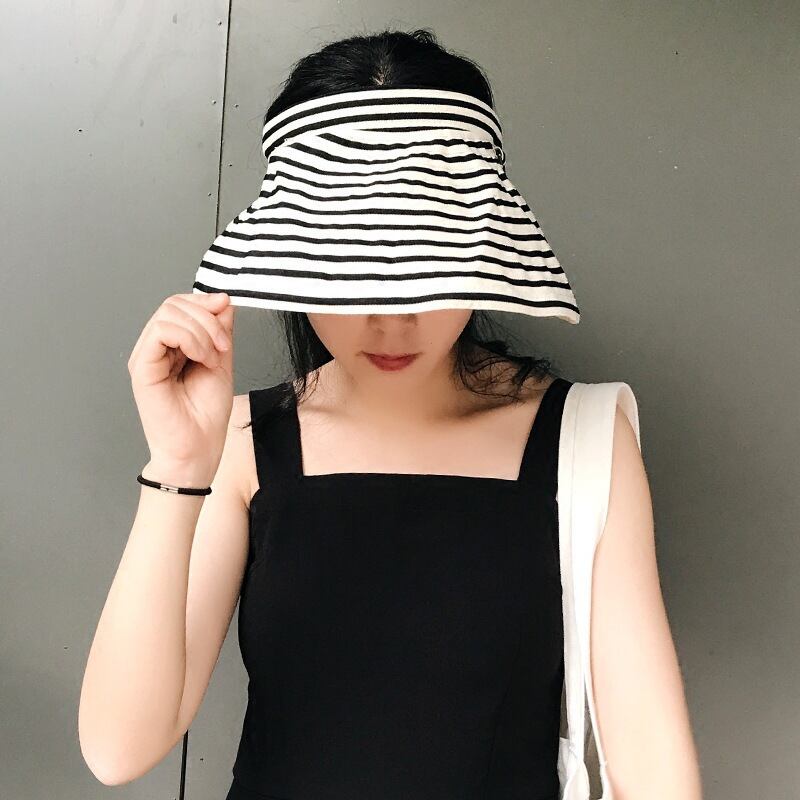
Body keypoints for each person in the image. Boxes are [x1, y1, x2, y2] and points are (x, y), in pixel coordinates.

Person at [78, 28, 702, 800]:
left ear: (484, 248)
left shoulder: (584, 438)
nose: (391, 318)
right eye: (352, 269)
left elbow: (654, 770)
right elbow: (116, 749)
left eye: (424, 264)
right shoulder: (245, 440)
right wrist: (177, 467)